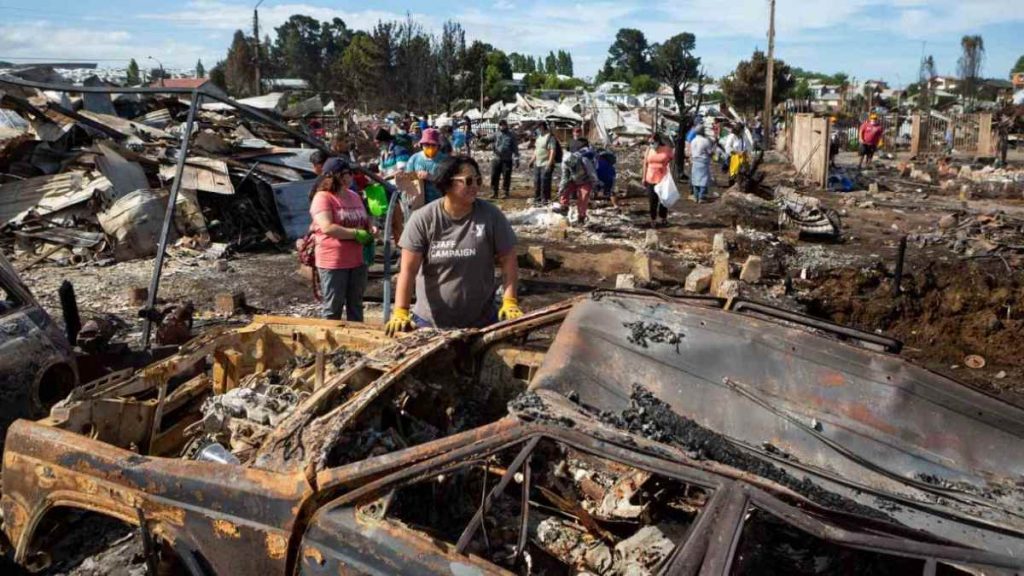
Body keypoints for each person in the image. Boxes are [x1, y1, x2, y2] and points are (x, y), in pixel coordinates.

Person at [385, 156, 522, 335]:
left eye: (478, 180)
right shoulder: (424, 219)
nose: (475, 186)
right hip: (431, 323)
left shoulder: (490, 216)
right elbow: (408, 271)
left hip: (481, 321)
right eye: (468, 181)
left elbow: (508, 259)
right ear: (447, 183)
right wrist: (400, 311)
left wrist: (510, 300)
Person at [309, 159, 374, 321]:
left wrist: (371, 229)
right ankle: (328, 344)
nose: (351, 176)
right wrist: (356, 234)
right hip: (334, 262)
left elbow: (364, 219)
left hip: (358, 260)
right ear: (336, 176)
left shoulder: (353, 196)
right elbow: (327, 227)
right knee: (333, 307)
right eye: (348, 173)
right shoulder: (323, 198)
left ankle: (358, 341)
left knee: (356, 305)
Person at [405, 128, 449, 205]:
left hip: (441, 202)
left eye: (433, 145)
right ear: (421, 145)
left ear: (438, 146)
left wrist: (431, 177)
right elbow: (408, 178)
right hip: (419, 203)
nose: (430, 148)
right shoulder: (414, 159)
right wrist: (415, 175)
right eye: (427, 145)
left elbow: (451, 181)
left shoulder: (445, 160)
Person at [557, 146, 599, 224]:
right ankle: (564, 207)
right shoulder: (565, 164)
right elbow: (564, 177)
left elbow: (592, 174)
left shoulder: (585, 161)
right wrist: (561, 188)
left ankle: (581, 217)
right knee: (565, 190)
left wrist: (594, 186)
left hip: (586, 180)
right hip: (573, 179)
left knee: (583, 198)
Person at [642, 133, 674, 227]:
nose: (652, 145)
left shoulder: (666, 149)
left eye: (653, 142)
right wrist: (643, 177)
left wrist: (668, 170)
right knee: (652, 200)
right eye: (650, 143)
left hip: (662, 177)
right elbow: (645, 164)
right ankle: (653, 219)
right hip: (650, 177)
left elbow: (671, 160)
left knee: (664, 200)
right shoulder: (649, 149)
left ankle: (663, 218)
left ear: (658, 141)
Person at [528, 121, 557, 204]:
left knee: (545, 182)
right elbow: (537, 151)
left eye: (539, 127)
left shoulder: (550, 137)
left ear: (543, 127)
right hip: (537, 163)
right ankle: (537, 199)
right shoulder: (539, 137)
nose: (538, 129)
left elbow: (552, 151)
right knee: (537, 181)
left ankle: (545, 200)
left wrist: (550, 163)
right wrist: (531, 161)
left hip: (546, 163)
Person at [490, 120, 518, 199]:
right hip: (496, 158)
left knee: (506, 177)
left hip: (507, 159)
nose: (502, 126)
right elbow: (489, 139)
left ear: (506, 125)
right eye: (500, 125)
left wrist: (516, 158)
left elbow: (515, 148)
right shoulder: (496, 134)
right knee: (494, 176)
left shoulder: (511, 135)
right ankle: (494, 192)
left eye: (503, 125)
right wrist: (482, 138)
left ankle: (505, 193)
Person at [689, 125, 713, 203]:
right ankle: (701, 197)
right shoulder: (705, 141)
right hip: (703, 161)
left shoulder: (693, 141)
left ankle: (695, 196)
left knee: (695, 179)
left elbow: (691, 152)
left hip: (695, 161)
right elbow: (710, 152)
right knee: (703, 179)